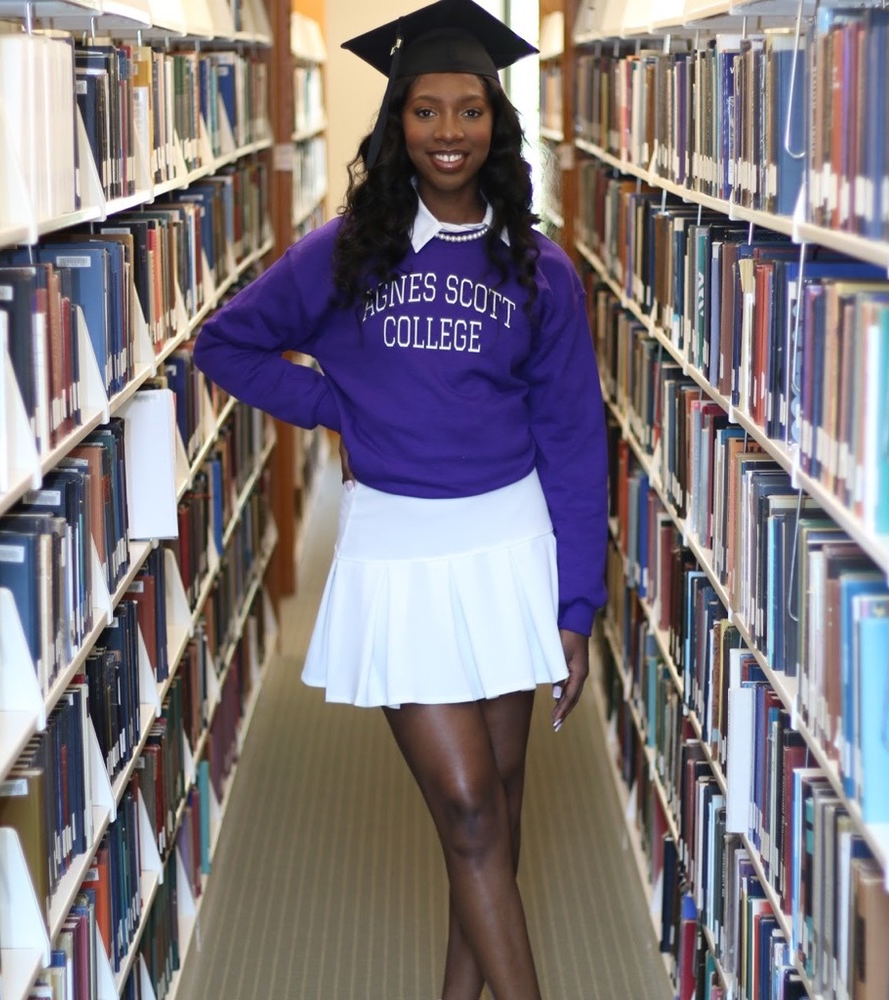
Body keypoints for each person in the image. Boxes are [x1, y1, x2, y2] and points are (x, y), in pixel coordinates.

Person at [192, 1, 607, 996]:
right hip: (399, 552)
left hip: (509, 543)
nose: (449, 131)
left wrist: (577, 604)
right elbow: (225, 343)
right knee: (467, 808)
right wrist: (333, 402)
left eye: (470, 110)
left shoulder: (540, 269)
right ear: (398, 123)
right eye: (426, 111)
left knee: (497, 809)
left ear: (496, 124)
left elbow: (573, 439)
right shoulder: (349, 253)